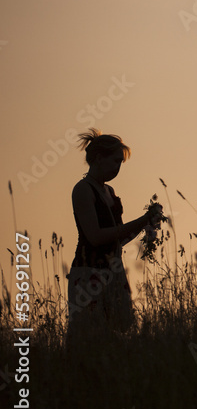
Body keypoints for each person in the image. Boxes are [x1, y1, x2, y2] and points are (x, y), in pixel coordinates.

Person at [67, 128, 162, 342]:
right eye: (116, 161)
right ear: (99, 158)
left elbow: (118, 237)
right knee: (87, 335)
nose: (118, 167)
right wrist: (140, 220)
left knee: (122, 326)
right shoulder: (82, 190)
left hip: (113, 269)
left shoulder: (109, 192)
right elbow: (96, 237)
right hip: (88, 271)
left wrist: (146, 222)